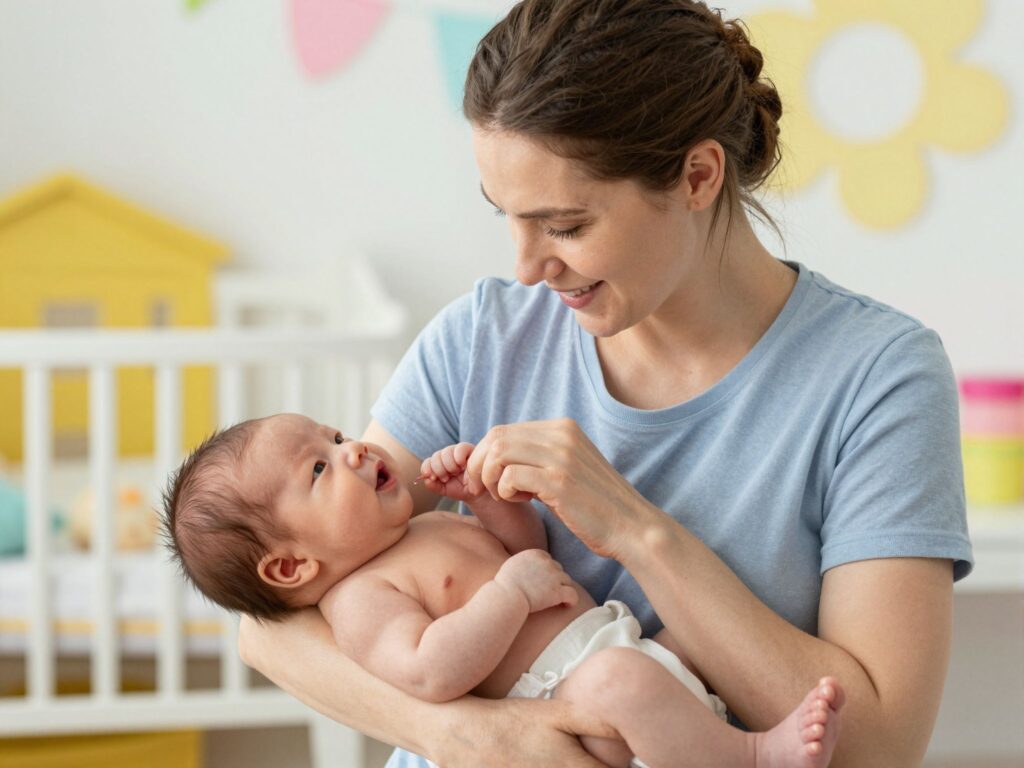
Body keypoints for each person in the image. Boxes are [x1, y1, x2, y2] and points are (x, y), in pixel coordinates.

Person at [237, 1, 974, 766]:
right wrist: (469, 737)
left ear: (698, 176)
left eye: (565, 226)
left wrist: (634, 528)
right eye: (508, 217)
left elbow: (878, 749)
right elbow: (271, 627)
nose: (527, 268)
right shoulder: (483, 338)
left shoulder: (877, 378)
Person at [163, 412, 844, 767]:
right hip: (573, 709)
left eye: (335, 435)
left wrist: (489, 504)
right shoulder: (360, 600)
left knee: (693, 631)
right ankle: (753, 758)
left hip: (618, 644)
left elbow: (527, 557)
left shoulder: (426, 527)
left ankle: (710, 737)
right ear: (290, 568)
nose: (353, 449)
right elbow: (429, 670)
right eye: (319, 468)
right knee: (624, 685)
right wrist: (508, 597)